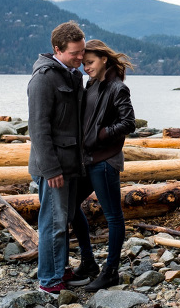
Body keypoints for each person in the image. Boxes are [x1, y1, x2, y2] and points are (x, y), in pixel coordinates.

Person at [66, 39, 136, 291]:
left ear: (104, 59)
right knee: (71, 205)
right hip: (88, 159)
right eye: (84, 63)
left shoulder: (117, 88)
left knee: (113, 217)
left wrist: (100, 135)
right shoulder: (92, 84)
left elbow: (129, 123)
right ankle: (89, 264)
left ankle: (111, 272)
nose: (86, 68)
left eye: (90, 62)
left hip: (105, 160)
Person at [27, 21, 86, 297]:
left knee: (64, 220)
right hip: (53, 167)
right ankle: (49, 280)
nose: (80, 57)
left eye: (82, 51)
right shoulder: (44, 78)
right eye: (75, 53)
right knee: (53, 223)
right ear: (57, 49)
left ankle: (60, 269)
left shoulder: (71, 74)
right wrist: (50, 169)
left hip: (71, 164)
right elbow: (38, 128)